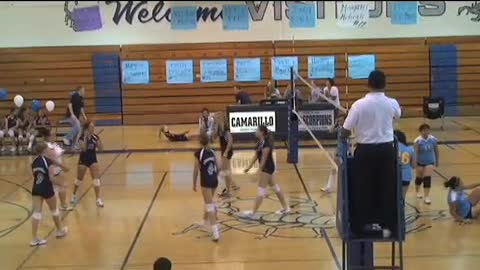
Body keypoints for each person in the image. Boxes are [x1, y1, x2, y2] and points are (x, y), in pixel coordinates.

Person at [342, 70, 401, 238]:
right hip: (386, 151)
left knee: (363, 188)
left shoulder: (359, 105)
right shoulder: (392, 103)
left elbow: (345, 131)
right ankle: (388, 227)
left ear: (368, 84)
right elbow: (398, 116)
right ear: (385, 84)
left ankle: (361, 227)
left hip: (365, 152)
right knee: (386, 188)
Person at [242, 125, 290, 217]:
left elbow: (263, 160)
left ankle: (253, 213)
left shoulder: (266, 144)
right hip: (266, 168)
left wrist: (257, 173)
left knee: (261, 190)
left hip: (267, 168)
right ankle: (286, 208)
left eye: (257, 130)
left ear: (262, 133)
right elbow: (256, 156)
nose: (255, 132)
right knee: (275, 188)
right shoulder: (259, 143)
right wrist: (249, 167)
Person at [30, 142, 69, 246]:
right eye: (48, 148)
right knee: (54, 210)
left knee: (36, 213)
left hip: (36, 188)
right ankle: (60, 230)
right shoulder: (48, 161)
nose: (49, 150)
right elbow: (51, 178)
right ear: (44, 150)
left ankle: (34, 238)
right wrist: (61, 184)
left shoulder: (34, 161)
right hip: (46, 188)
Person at [192, 133, 221, 241]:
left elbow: (195, 170)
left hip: (205, 182)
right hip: (214, 180)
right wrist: (215, 176)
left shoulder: (198, 153)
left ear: (200, 141)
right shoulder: (213, 152)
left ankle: (215, 233)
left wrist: (194, 183)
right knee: (208, 201)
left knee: (209, 206)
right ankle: (204, 221)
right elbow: (219, 167)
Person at [71, 121, 104, 207]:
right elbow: (84, 149)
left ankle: (98, 199)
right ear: (87, 128)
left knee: (96, 179)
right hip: (83, 159)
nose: (93, 128)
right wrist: (86, 137)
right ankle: (74, 195)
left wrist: (99, 142)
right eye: (91, 127)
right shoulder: (82, 138)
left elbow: (101, 149)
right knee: (79, 179)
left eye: (93, 127)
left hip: (93, 159)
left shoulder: (95, 137)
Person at [43, 129, 72, 211]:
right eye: (52, 135)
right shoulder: (47, 146)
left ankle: (63, 205)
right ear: (48, 137)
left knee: (62, 186)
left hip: (58, 170)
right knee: (50, 190)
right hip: (51, 170)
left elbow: (59, 156)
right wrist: (63, 167)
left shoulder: (55, 145)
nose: (55, 136)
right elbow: (52, 160)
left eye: (55, 135)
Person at [414, 123, 439, 205]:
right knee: (419, 178)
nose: (426, 132)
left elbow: (436, 150)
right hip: (420, 162)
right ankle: (417, 191)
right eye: (424, 130)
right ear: (420, 131)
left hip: (430, 162)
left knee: (427, 178)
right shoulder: (417, 141)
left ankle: (426, 197)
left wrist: (437, 160)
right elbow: (416, 153)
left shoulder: (433, 139)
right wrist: (415, 163)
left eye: (427, 130)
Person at [217, 113, 239, 198]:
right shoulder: (221, 131)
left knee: (225, 171)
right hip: (224, 151)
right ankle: (232, 187)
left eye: (219, 119)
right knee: (226, 171)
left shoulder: (227, 131)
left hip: (227, 152)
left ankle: (230, 189)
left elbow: (230, 142)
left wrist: (225, 152)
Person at [395, 130, 416, 199]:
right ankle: (402, 208)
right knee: (402, 196)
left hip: (394, 175)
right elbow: (413, 165)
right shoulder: (410, 149)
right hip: (406, 175)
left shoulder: (392, 148)